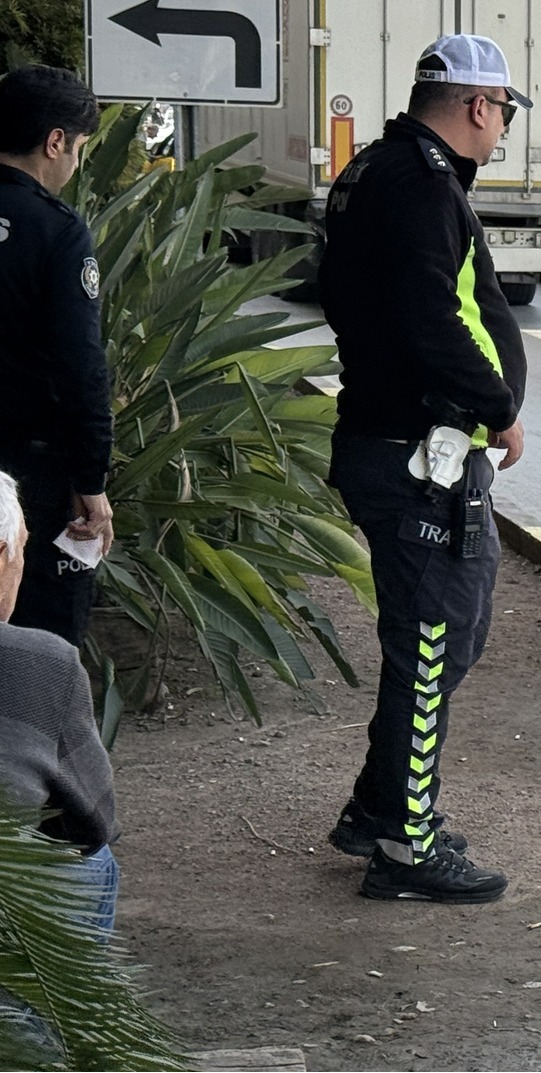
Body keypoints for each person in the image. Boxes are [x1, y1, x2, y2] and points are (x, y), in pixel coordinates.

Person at [317, 34, 533, 904]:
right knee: (432, 645)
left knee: (443, 636)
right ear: (479, 105)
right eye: (505, 111)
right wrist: (497, 405)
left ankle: (380, 807)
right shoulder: (421, 183)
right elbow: (430, 318)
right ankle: (405, 845)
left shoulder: (379, 168)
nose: (504, 126)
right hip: (416, 451)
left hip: (398, 442)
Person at [0, 67, 115, 648]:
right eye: (79, 147)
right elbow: (80, 366)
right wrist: (90, 480)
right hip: (29, 471)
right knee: (39, 640)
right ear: (55, 142)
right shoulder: (55, 229)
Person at [0, 470, 120, 939]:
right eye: (22, 550)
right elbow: (91, 815)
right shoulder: (40, 659)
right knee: (92, 858)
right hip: (13, 893)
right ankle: (67, 984)